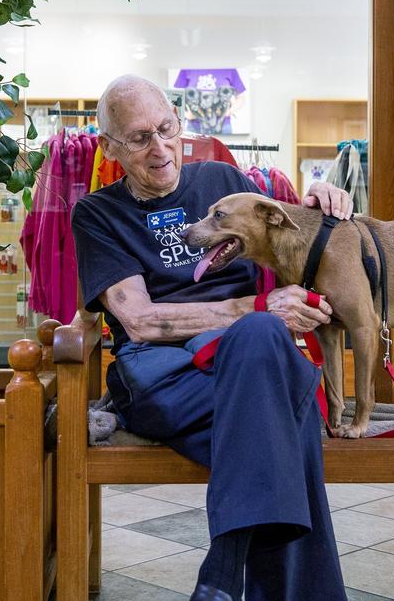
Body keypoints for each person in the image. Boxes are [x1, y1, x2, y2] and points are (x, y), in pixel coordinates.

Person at [71, 75, 353, 601]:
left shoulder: (223, 178)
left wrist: (320, 199)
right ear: (108, 147)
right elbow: (143, 322)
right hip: (165, 378)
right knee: (280, 403)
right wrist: (255, 306)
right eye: (138, 139)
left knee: (263, 345)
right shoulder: (97, 214)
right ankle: (233, 569)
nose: (159, 149)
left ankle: (222, 575)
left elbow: (291, 224)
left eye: (166, 128)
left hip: (247, 364)